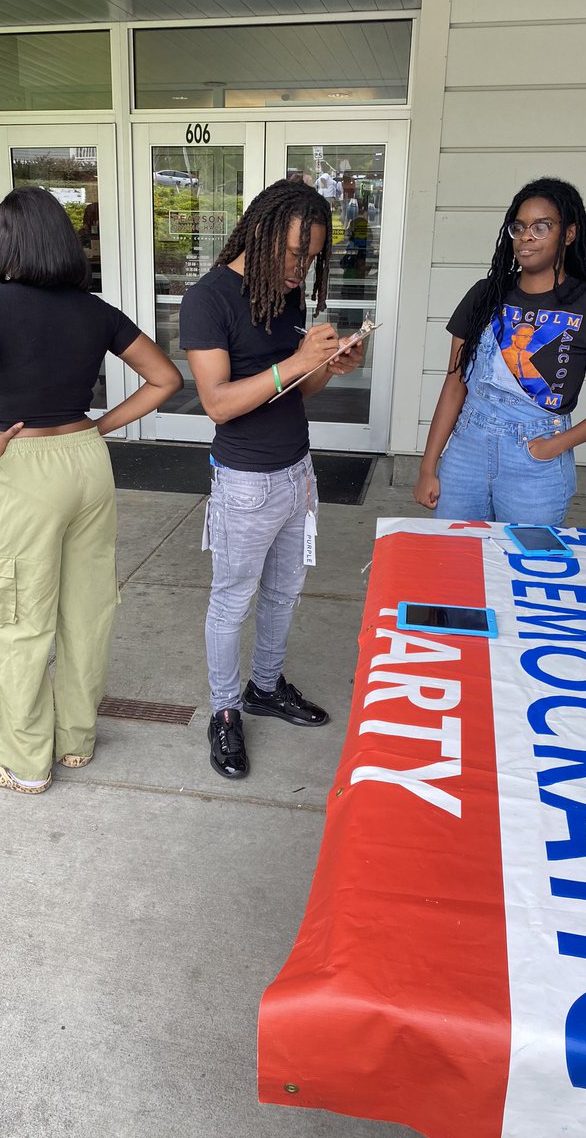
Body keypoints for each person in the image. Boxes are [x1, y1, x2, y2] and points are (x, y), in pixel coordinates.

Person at [0, 187, 182, 794]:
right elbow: (165, 377)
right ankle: (75, 743)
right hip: (87, 462)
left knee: (18, 616)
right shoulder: (94, 310)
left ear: (6, 239)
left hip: (26, 467)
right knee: (86, 609)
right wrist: (100, 426)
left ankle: (23, 762)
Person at [179, 178, 365, 781]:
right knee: (232, 601)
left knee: (285, 593)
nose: (299, 268)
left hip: (296, 471)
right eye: (292, 254)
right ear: (260, 233)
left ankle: (263, 686)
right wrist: (296, 361)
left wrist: (328, 368)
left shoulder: (283, 295)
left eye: (310, 258)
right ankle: (226, 710)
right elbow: (218, 403)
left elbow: (295, 389)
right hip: (244, 481)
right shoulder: (208, 299)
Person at [414, 177, 586, 525]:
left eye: (541, 226)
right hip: (466, 451)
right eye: (519, 227)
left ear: (569, 234)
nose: (526, 236)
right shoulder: (485, 294)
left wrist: (554, 446)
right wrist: (429, 465)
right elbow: (455, 381)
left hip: (536, 459)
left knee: (524, 566)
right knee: (454, 560)